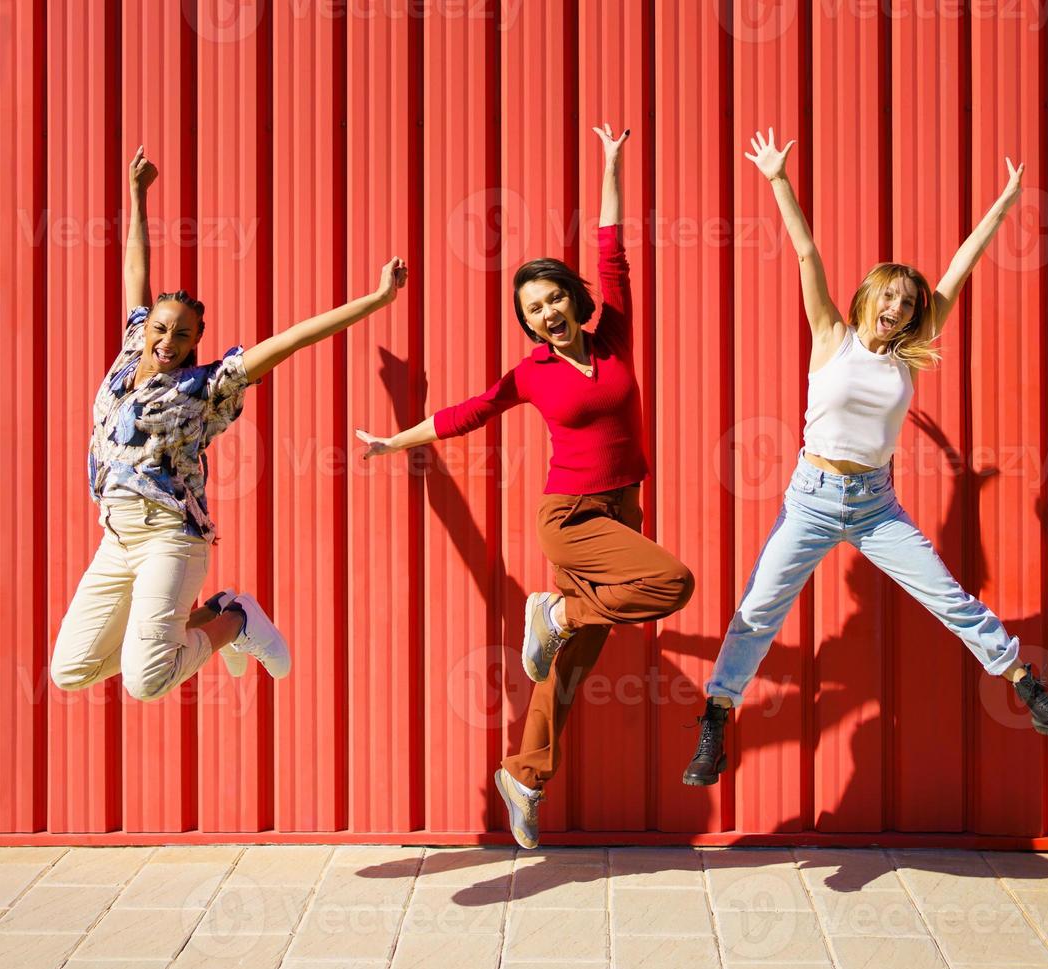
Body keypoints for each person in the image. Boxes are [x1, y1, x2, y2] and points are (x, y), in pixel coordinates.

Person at [682, 129, 1048, 788]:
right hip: (813, 499)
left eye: (907, 302)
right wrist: (777, 181)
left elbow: (961, 267)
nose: (897, 308)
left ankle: (1032, 693)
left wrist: (1005, 203)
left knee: (951, 598)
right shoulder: (832, 338)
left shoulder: (910, 353)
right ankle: (716, 716)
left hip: (876, 507)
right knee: (759, 609)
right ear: (868, 299)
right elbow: (805, 251)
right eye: (889, 297)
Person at [356, 125, 693, 848]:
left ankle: (524, 774)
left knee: (566, 674)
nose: (547, 312)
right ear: (530, 324)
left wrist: (610, 162)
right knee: (673, 584)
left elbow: (615, 253)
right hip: (571, 518)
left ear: (574, 299)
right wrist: (393, 440)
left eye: (553, 299)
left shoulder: (614, 338)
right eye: (533, 309)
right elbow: (464, 414)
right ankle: (561, 614)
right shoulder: (530, 375)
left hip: (623, 508)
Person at [50, 145, 407, 701]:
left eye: (183, 335)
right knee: (70, 670)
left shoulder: (206, 387)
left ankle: (235, 620)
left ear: (197, 342)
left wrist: (377, 298)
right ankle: (209, 620)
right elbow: (135, 269)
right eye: (162, 330)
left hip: (170, 535)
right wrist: (137, 195)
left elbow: (294, 338)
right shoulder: (127, 353)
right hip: (116, 537)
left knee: (146, 681)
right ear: (146, 330)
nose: (168, 342)